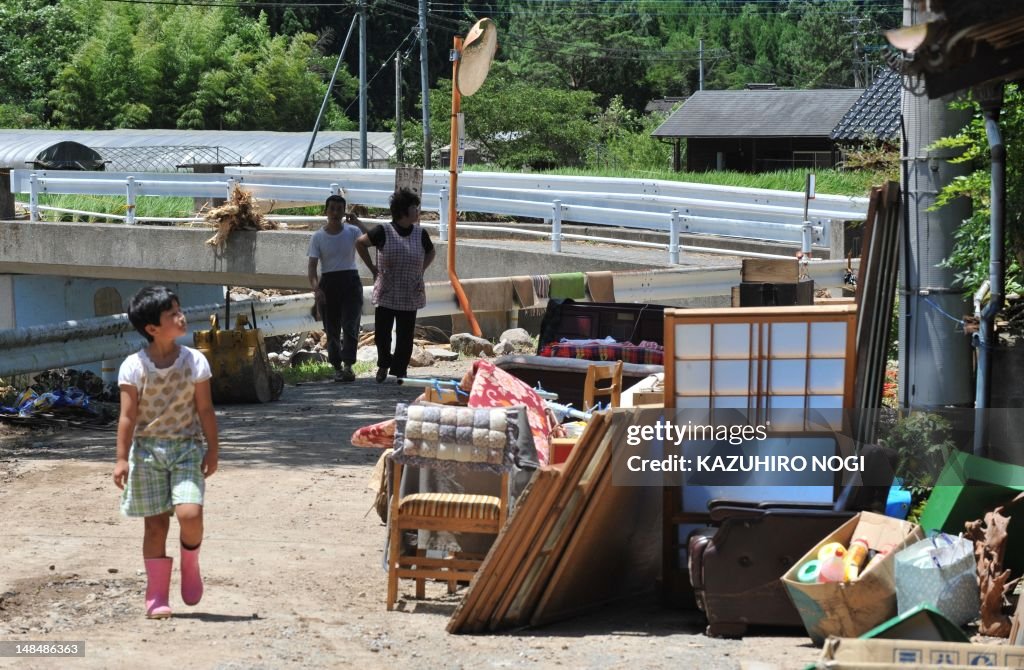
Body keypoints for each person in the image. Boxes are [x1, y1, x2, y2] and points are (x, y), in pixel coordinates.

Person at [113, 286, 219, 619]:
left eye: (179, 309)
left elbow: (205, 410)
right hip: (146, 453)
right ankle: (156, 594)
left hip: (186, 448)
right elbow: (128, 417)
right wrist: (120, 458)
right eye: (172, 314)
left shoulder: (194, 361)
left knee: (190, 514)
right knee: (155, 526)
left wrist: (213, 449)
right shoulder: (133, 367)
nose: (181, 316)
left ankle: (190, 563)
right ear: (152, 329)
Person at [356, 188, 435, 383]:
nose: (418, 211)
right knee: (382, 334)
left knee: (405, 336)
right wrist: (373, 268)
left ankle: (400, 370)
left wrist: (421, 270)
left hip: (410, 291)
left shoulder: (420, 233)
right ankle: (384, 364)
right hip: (387, 291)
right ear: (404, 210)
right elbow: (360, 243)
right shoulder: (383, 231)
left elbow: (431, 252)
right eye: (414, 208)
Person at [308, 194, 368, 382]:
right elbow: (312, 267)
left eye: (339, 209)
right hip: (329, 283)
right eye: (331, 208)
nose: (335, 212)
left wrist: (358, 223)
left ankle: (349, 365)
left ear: (344, 212)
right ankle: (336, 366)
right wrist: (316, 289)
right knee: (331, 328)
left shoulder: (352, 232)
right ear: (326, 211)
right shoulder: (318, 237)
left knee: (350, 325)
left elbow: (371, 239)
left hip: (350, 281)